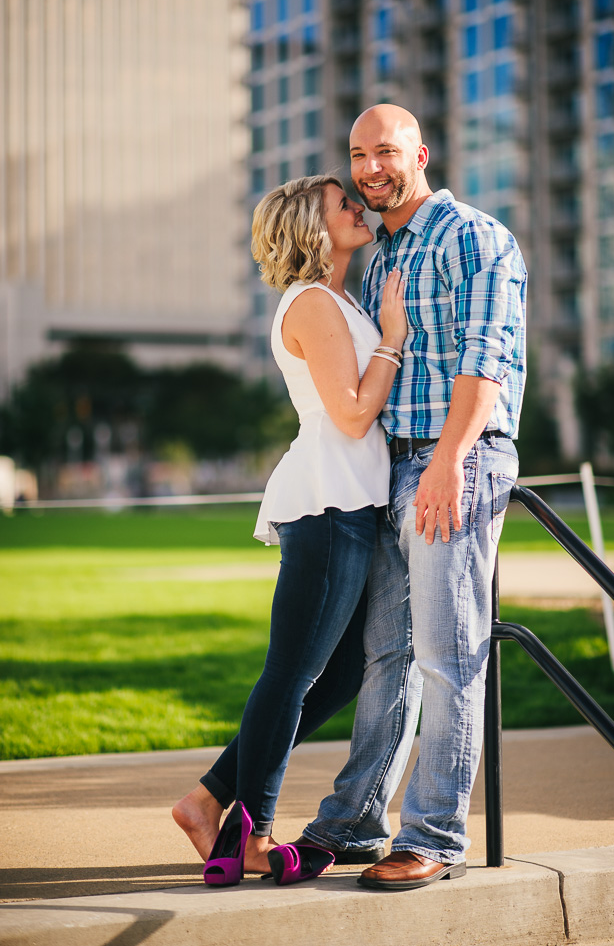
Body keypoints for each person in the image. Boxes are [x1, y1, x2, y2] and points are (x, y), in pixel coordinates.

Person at [296, 104, 527, 890]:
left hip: (454, 462)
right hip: (390, 468)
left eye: (385, 151)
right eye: (358, 154)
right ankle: (355, 818)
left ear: (419, 152)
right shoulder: (380, 251)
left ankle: (432, 834)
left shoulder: (476, 237)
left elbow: (485, 361)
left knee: (448, 655)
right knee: (383, 656)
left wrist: (452, 458)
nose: (370, 168)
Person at [172, 174, 407, 878]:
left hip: (355, 505)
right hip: (328, 504)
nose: (358, 207)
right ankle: (253, 828)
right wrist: (393, 338)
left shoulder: (338, 298)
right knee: (294, 672)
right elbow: (354, 413)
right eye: (344, 203)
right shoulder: (309, 303)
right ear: (312, 226)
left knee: (340, 674)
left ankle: (206, 798)